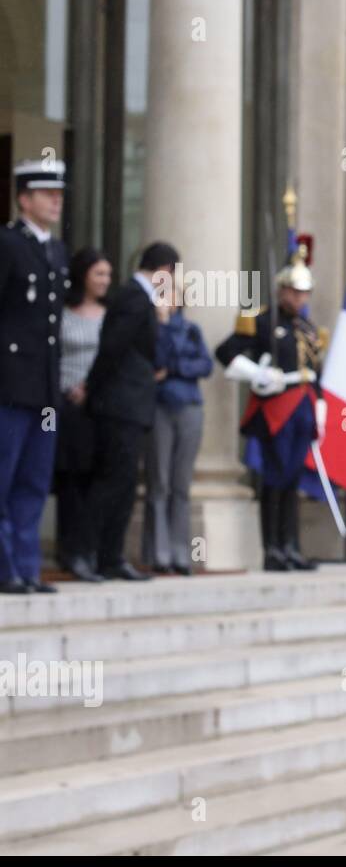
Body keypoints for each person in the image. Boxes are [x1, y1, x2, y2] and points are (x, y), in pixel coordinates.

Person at [215, 244, 327, 572]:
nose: (300, 299)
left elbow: (315, 372)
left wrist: (321, 409)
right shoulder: (261, 321)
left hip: (303, 406)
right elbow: (226, 352)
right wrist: (259, 374)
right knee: (274, 479)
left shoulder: (308, 329)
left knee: (292, 479)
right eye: (294, 292)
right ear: (282, 290)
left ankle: (291, 546)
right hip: (277, 407)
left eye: (304, 293)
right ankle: (272, 549)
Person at [85, 242, 177, 581]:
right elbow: (112, 349)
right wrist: (92, 388)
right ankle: (91, 553)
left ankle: (110, 556)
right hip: (119, 404)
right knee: (111, 482)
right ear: (164, 270)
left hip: (131, 405)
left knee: (123, 484)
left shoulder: (141, 301)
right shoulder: (133, 299)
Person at [0, 159, 68, 594]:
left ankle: (27, 567)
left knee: (34, 480)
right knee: (3, 477)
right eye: (47, 194)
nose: (56, 200)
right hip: (10, 386)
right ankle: (6, 569)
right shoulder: (7, 243)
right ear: (24, 199)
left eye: (59, 194)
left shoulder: (56, 250)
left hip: (44, 390)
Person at [144, 275, 212, 575]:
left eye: (172, 294)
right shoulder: (152, 328)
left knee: (181, 485)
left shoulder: (191, 330)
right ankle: (158, 552)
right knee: (158, 481)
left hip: (189, 406)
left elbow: (205, 365)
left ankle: (181, 552)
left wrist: (173, 369)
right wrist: (160, 325)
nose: (168, 299)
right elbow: (154, 360)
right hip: (160, 406)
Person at [55, 248, 112, 583]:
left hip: (98, 406)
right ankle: (67, 548)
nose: (104, 281)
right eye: (98, 274)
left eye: (107, 274)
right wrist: (68, 389)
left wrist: (91, 387)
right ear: (83, 276)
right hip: (63, 407)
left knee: (94, 479)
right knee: (68, 479)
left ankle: (88, 550)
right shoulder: (62, 314)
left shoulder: (110, 316)